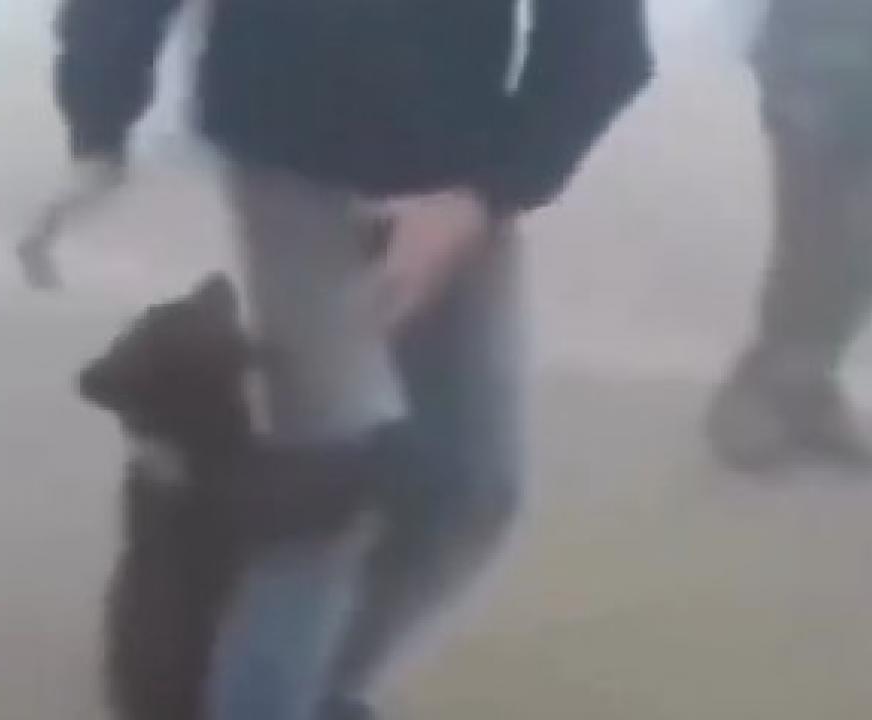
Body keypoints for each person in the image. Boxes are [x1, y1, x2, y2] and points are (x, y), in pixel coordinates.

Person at [54, 1, 652, 718]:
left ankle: (327, 693)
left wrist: (484, 195)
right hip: (287, 146)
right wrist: (98, 119)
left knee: (472, 487)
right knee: (326, 498)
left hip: (453, 158)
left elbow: (604, 37)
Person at [708, 0, 872, 472]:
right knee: (816, 241)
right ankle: (759, 391)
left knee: (859, 250)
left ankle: (808, 387)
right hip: (813, 61)